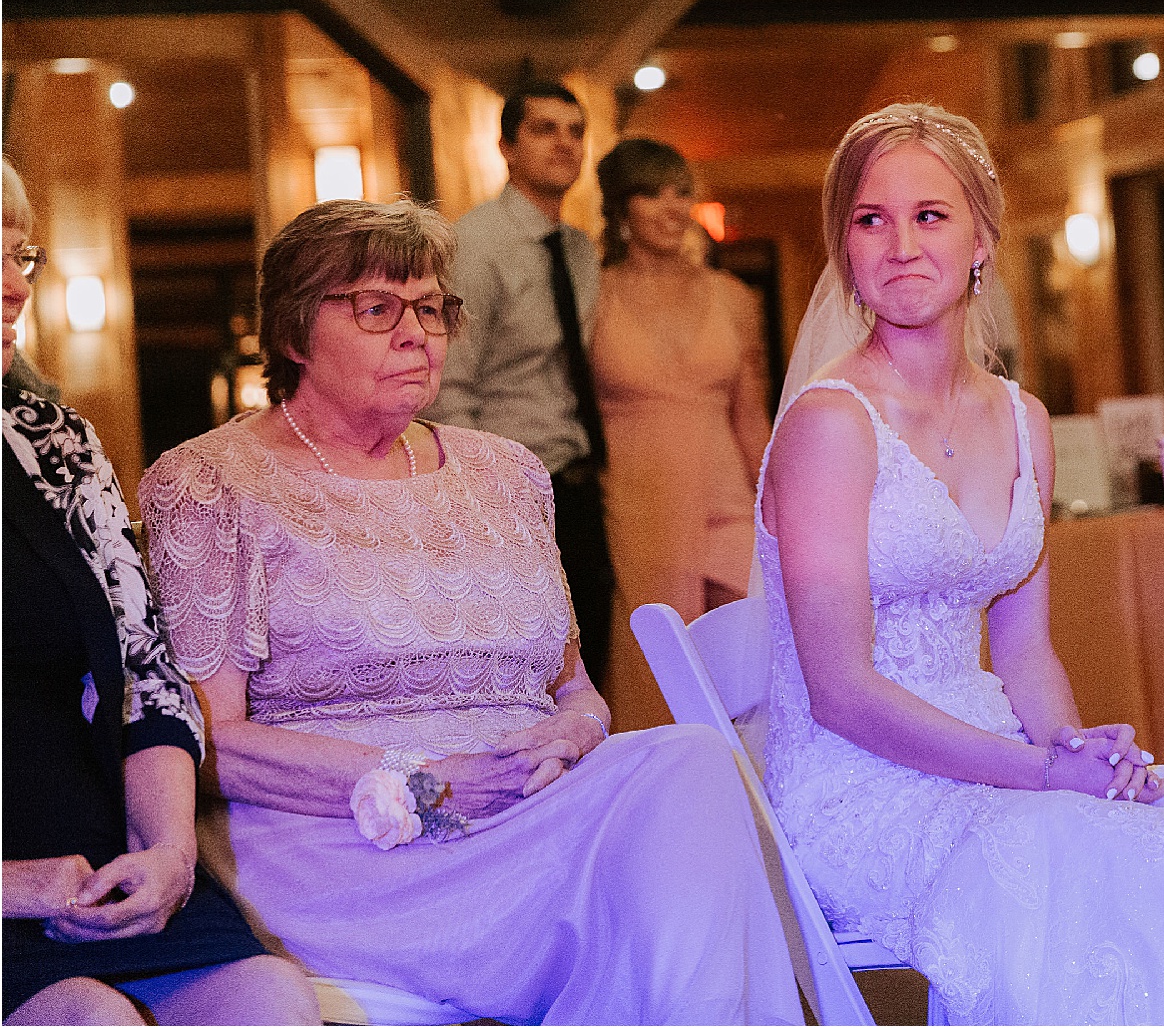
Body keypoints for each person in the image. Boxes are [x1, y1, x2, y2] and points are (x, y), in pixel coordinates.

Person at [758, 103, 1164, 1025]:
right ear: (844, 247)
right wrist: (1038, 776)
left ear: (983, 238)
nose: (900, 244)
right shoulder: (831, 425)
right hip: (860, 781)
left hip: (996, 750)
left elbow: (1024, 652)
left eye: (930, 215)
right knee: (1124, 883)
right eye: (871, 219)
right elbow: (840, 692)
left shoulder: (1024, 422)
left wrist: (1076, 758)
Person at [140, 199, 799, 1025]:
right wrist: (415, 777)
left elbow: (577, 692)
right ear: (293, 335)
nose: (418, 334)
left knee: (693, 763)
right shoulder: (211, 483)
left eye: (432, 308)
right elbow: (201, 746)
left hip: (534, 816)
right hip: (353, 848)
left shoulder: (507, 472)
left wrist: (577, 733)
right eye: (379, 309)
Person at [2, 160, 318, 1027]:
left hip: (92, 857)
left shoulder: (49, 438)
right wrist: (16, 887)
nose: (12, 289)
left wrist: (172, 852)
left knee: (272, 1000)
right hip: (16, 892)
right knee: (86, 1018)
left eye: (20, 258)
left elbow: (143, 669)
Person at [424, 82, 616, 682]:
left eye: (575, 130)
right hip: (509, 488)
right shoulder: (474, 246)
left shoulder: (581, 251)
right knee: (529, 672)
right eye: (543, 129)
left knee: (593, 660)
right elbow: (452, 386)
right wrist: (480, 500)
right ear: (506, 146)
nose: (564, 144)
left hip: (577, 479)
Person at [592, 136, 772, 731]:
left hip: (728, 496)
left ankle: (756, 806)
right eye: (651, 193)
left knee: (750, 660)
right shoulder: (593, 295)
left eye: (682, 193)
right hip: (640, 498)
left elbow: (750, 416)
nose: (671, 208)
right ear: (621, 210)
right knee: (656, 671)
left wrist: (776, 507)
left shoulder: (734, 297)